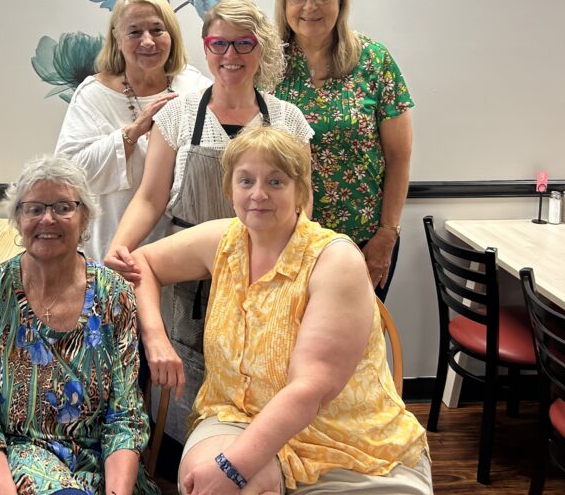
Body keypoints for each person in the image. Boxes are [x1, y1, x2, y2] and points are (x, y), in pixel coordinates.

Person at [134, 127, 431, 495]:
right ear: (230, 190)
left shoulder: (334, 260)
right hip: (237, 416)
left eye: (275, 181)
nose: (258, 194)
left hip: (347, 439)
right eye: (246, 181)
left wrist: (230, 467)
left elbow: (309, 389)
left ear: (300, 191)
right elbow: (141, 264)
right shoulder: (223, 240)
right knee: (213, 486)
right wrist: (156, 339)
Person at [106, 0, 313, 441]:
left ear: (261, 50)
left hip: (264, 278)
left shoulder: (287, 119)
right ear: (205, 47)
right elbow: (150, 197)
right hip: (189, 281)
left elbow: (303, 208)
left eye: (243, 44)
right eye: (220, 44)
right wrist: (119, 247)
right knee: (184, 392)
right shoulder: (180, 114)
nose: (230, 56)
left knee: (257, 386)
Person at [0, 155, 158, 495]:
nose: (47, 218)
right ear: (18, 219)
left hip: (98, 463)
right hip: (9, 460)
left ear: (85, 218)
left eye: (63, 207)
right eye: (33, 209)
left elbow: (125, 419)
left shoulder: (114, 294)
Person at [273, 0, 414, 300]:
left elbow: (399, 157)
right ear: (284, 1)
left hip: (363, 241)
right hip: (289, 242)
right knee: (290, 348)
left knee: (359, 348)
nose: (310, 7)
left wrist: (387, 234)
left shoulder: (374, 61)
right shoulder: (268, 65)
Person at [56, 0, 209, 262]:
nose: (148, 42)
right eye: (135, 32)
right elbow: (68, 176)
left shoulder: (196, 87)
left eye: (157, 30)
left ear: (171, 34)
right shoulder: (94, 95)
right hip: (115, 249)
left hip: (183, 254)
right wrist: (131, 133)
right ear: (117, 38)